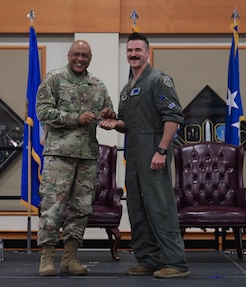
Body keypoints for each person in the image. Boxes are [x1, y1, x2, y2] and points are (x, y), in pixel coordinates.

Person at [100, 32, 190, 278]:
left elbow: (173, 118)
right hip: (133, 155)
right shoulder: (128, 89)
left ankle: (176, 262)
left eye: (138, 50)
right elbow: (126, 123)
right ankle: (149, 260)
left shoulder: (159, 80)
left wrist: (161, 150)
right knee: (138, 208)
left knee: (160, 206)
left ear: (147, 53)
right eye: (129, 50)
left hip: (154, 151)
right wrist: (113, 123)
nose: (133, 54)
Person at [36, 39, 116, 276]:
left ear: (90, 58)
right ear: (69, 55)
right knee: (53, 207)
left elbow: (108, 113)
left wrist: (108, 115)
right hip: (59, 155)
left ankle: (70, 258)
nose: (80, 59)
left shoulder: (97, 84)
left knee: (81, 209)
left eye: (85, 56)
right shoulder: (54, 79)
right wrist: (75, 118)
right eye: (76, 54)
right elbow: (42, 111)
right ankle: (47, 258)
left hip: (87, 156)